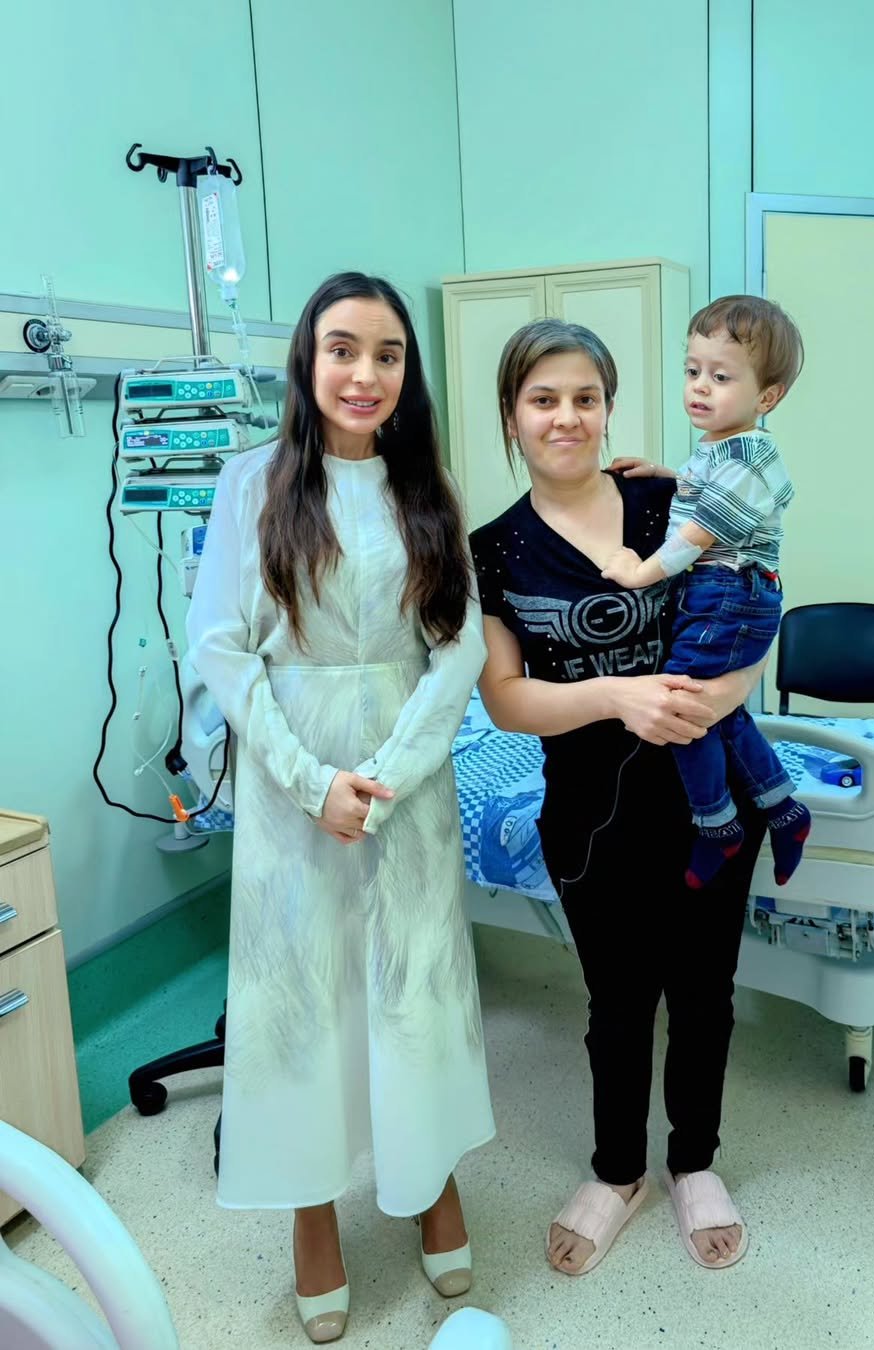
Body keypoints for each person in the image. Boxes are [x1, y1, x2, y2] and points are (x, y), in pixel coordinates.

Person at [187, 272, 494, 1343]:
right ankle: (311, 1212)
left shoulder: (430, 490)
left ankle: (431, 1181)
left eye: (388, 354)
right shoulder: (251, 485)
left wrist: (391, 777)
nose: (365, 374)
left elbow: (459, 648)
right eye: (343, 349)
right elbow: (221, 649)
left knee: (417, 989)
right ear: (307, 362)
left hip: (409, 783)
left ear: (409, 372)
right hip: (292, 781)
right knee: (301, 1000)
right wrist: (312, 782)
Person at [469, 318, 764, 1277]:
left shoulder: (671, 502)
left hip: (710, 801)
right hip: (591, 817)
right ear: (511, 416)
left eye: (584, 399)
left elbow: (757, 609)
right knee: (618, 1001)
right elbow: (505, 698)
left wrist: (721, 695)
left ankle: (695, 1162)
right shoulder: (495, 550)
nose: (566, 418)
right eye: (542, 400)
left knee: (706, 993)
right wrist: (615, 696)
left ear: (608, 409)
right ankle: (617, 1171)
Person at [601, 295, 811, 890]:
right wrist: (666, 474)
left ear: (767, 398)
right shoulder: (727, 447)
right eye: (693, 370)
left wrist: (640, 572)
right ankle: (783, 809)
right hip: (730, 592)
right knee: (721, 713)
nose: (700, 386)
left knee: (679, 707)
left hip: (728, 592)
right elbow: (705, 490)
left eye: (721, 377)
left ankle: (717, 825)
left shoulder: (751, 456)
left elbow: (699, 535)